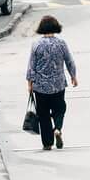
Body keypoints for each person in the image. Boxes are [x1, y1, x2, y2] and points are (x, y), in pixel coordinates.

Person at [26, 14, 77, 150]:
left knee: (43, 114)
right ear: (55, 27)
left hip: (40, 86)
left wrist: (30, 83)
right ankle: (58, 129)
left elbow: (32, 65)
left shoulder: (36, 44)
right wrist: (73, 76)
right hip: (58, 84)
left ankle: (47, 143)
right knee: (59, 109)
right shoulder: (61, 43)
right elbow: (69, 61)